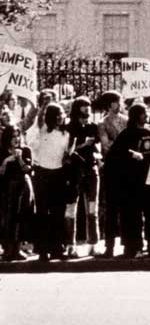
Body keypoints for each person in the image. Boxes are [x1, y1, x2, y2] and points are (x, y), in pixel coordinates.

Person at [109, 103, 150, 258]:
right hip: (132, 181)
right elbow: (115, 153)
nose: (146, 115)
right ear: (136, 116)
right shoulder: (126, 134)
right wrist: (131, 154)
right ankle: (133, 246)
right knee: (132, 214)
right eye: (143, 113)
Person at [26, 102, 70, 260]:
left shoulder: (66, 133)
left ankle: (57, 247)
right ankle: (43, 249)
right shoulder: (41, 131)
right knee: (43, 212)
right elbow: (31, 146)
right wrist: (39, 128)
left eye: (62, 115)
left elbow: (66, 153)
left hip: (58, 173)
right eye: (57, 115)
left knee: (58, 212)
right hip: (42, 173)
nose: (60, 118)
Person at [64, 98, 101, 257]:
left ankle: (93, 243)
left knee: (93, 208)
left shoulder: (93, 126)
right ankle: (70, 245)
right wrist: (84, 144)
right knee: (71, 208)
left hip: (91, 167)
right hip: (74, 169)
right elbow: (67, 150)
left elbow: (97, 145)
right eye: (83, 106)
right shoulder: (69, 126)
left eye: (88, 106)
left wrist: (98, 157)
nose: (87, 109)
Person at [94, 91, 126, 257]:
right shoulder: (103, 123)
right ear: (109, 104)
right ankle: (109, 246)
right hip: (112, 167)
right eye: (116, 102)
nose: (119, 104)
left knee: (127, 206)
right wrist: (124, 145)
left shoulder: (126, 120)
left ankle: (128, 244)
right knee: (111, 208)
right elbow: (106, 145)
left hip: (127, 166)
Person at [0, 126, 34, 260]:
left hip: (22, 186)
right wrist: (6, 160)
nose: (16, 139)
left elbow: (28, 170)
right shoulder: (2, 151)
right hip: (6, 187)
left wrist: (19, 158)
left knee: (21, 217)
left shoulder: (25, 150)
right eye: (13, 136)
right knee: (7, 218)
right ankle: (7, 249)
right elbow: (1, 173)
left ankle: (18, 249)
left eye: (18, 136)